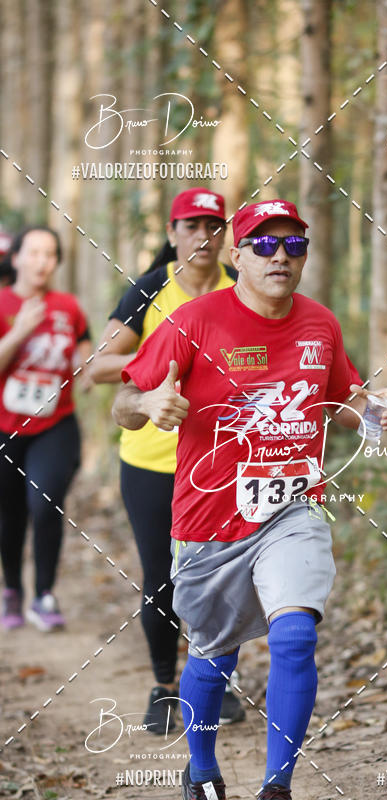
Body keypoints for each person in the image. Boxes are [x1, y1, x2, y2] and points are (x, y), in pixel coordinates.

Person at [112, 198, 387, 800]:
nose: (281, 256)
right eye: (265, 245)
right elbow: (123, 401)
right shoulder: (192, 321)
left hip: (291, 510)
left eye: (293, 245)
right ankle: (204, 780)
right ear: (236, 255)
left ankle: (277, 792)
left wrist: (381, 411)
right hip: (209, 519)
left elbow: (348, 405)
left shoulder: (320, 325)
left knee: (295, 635)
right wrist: (149, 401)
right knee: (213, 657)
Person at [90, 188, 245, 736]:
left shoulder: (241, 285)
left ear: (224, 234)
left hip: (224, 459)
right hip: (151, 460)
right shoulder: (149, 289)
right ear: (172, 232)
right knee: (162, 577)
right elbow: (98, 367)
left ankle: (216, 678)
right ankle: (164, 685)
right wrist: (167, 352)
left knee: (222, 573)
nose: (203, 235)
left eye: (213, 225)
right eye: (191, 225)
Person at [0, 226, 91, 631]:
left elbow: (85, 347)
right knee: (10, 513)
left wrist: (87, 367)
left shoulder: (68, 306)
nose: (41, 262)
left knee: (45, 502)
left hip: (55, 423)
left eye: (50, 254)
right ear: (16, 257)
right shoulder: (3, 303)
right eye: (33, 253)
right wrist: (20, 330)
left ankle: (44, 595)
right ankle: (12, 590)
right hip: (5, 427)